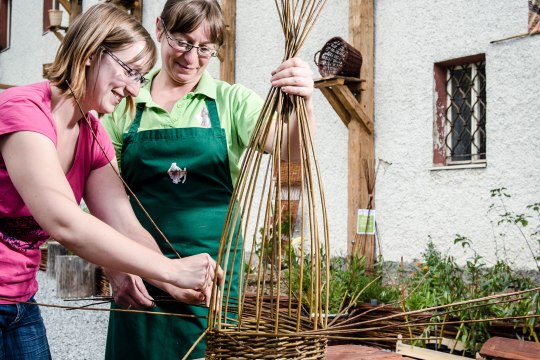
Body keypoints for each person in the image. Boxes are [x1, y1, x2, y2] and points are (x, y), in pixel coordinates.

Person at [0, 4, 223, 360]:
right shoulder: (23, 111)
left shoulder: (93, 134)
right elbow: (63, 221)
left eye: (141, 77)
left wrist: (173, 283)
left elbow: (124, 224)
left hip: (20, 301)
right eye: (131, 72)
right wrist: (170, 269)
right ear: (91, 53)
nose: (135, 90)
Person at [101, 0, 315, 358]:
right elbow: (103, 195)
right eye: (182, 42)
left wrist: (304, 102)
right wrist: (114, 266)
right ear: (159, 28)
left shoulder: (230, 101)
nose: (192, 57)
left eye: (205, 48)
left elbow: (289, 151)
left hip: (211, 280)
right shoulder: (125, 100)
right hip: (139, 270)